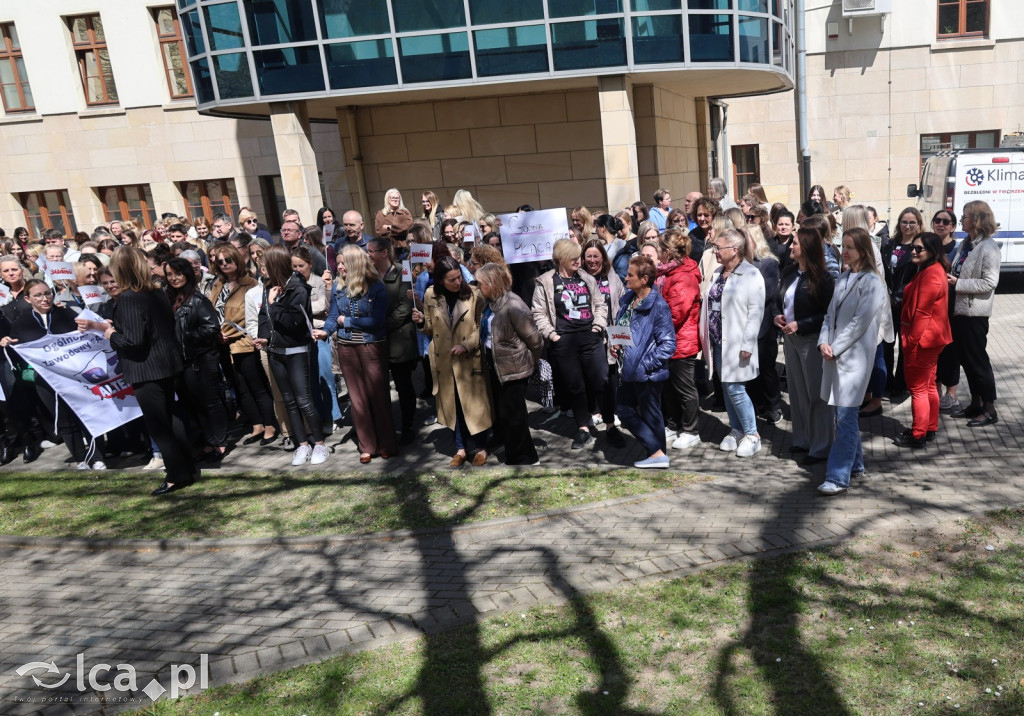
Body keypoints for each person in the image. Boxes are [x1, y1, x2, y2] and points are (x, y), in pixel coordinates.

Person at [78, 249, 197, 494]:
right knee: (172, 419)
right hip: (166, 364)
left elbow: (133, 342)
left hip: (147, 369)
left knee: (159, 425)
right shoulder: (155, 292)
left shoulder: (131, 298)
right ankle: (186, 468)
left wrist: (110, 333)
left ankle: (176, 475)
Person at [817, 228, 887, 495]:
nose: (844, 252)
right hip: (834, 354)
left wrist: (834, 347)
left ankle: (837, 477)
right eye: (842, 246)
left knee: (845, 416)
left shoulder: (872, 283)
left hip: (854, 359)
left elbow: (860, 322)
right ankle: (855, 465)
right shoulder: (843, 278)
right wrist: (824, 341)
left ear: (864, 251)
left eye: (850, 248)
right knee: (843, 416)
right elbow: (829, 316)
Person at [413, 256, 491, 466]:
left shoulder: (473, 294)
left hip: (468, 359)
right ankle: (460, 448)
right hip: (444, 361)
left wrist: (466, 345)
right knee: (452, 403)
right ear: (439, 281)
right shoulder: (431, 295)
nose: (457, 283)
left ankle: (481, 447)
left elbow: (480, 329)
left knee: (473, 405)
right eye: (451, 280)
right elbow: (430, 328)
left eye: (459, 277)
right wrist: (421, 321)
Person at [532, 239, 609, 450]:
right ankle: (583, 428)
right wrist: (552, 335)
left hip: (590, 338)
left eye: (579, 257)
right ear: (561, 259)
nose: (579, 261)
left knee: (601, 380)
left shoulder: (586, 278)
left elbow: (601, 305)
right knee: (575, 387)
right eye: (574, 258)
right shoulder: (546, 281)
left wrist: (597, 327)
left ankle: (610, 425)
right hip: (564, 341)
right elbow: (538, 312)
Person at [255, 245, 329, 466]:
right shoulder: (269, 287)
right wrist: (265, 337)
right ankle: (302, 445)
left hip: (296, 350)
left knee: (304, 400)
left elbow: (293, 321)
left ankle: (319, 444)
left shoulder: (298, 288)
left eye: (265, 265)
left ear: (275, 264)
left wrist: (273, 304)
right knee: (289, 401)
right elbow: (264, 317)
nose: (262, 269)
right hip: (275, 351)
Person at [321, 244, 395, 462]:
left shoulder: (376, 287)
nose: (340, 267)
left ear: (354, 264)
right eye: (339, 263)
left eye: (344, 263)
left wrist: (349, 321)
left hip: (371, 347)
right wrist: (324, 331)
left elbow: (376, 321)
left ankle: (386, 443)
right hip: (347, 349)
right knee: (357, 399)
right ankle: (366, 445)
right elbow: (334, 316)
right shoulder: (338, 288)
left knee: (378, 396)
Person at [699, 228, 764, 458]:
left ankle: (753, 435)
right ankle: (736, 429)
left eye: (719, 247)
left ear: (734, 250)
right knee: (726, 385)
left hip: (738, 342)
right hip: (719, 342)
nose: (715, 251)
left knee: (736, 388)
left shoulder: (751, 274)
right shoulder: (718, 272)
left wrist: (748, 344)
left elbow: (756, 311)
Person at [774, 224, 835, 463]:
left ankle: (821, 447)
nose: (790, 246)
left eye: (795, 243)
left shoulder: (823, 278)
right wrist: (777, 315)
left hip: (812, 341)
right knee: (798, 394)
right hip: (790, 340)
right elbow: (778, 300)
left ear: (807, 248)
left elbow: (828, 314)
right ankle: (802, 440)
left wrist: (801, 324)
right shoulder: (789, 272)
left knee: (817, 395)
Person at [208, 242, 278, 446]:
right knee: (240, 388)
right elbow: (212, 310)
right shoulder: (217, 283)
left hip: (244, 342)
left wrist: (224, 333)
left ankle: (270, 425)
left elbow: (244, 315)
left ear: (236, 260)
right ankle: (256, 424)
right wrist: (216, 335)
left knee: (256, 386)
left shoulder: (251, 284)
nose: (224, 264)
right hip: (223, 344)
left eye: (228, 260)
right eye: (219, 261)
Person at [476, 262, 543, 466]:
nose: (478, 287)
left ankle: (525, 458)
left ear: (492, 283)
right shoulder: (490, 303)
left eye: (480, 284)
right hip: (496, 366)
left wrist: (531, 362)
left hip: (513, 369)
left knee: (515, 416)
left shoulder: (513, 305)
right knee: (505, 414)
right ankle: (514, 452)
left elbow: (535, 339)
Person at [614, 255, 676, 468]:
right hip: (626, 370)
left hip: (646, 373)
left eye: (630, 275)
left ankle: (657, 456)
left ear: (645, 279)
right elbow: (624, 329)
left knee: (652, 416)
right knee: (623, 409)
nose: (626, 278)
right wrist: (617, 345)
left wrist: (644, 364)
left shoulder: (658, 306)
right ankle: (657, 454)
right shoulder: (627, 300)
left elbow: (668, 344)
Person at [163, 257, 228, 461]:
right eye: (169, 274)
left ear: (187, 274)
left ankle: (220, 443)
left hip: (201, 359)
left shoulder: (197, 300)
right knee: (194, 404)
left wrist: (186, 337)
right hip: (181, 361)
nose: (174, 278)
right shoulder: (169, 299)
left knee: (210, 401)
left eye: (178, 273)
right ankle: (209, 442)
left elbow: (211, 328)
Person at [892, 232, 952, 448]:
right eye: (913, 248)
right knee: (927, 386)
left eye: (919, 249)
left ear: (932, 252)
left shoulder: (932, 274)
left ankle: (918, 434)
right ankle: (929, 428)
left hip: (923, 339)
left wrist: (911, 341)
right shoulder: (929, 270)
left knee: (918, 388)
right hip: (929, 338)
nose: (914, 252)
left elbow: (922, 313)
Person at [947, 200, 1002, 427]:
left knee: (978, 362)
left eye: (966, 216)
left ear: (977, 220)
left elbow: (990, 282)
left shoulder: (988, 248)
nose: (962, 220)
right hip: (959, 311)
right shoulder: (966, 244)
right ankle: (976, 404)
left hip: (974, 314)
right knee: (966, 361)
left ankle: (989, 409)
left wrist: (958, 283)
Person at [656, 229, 702, 450]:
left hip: (682, 341)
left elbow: (676, 313)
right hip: (669, 340)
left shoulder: (683, 276)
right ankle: (672, 426)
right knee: (669, 388)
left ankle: (691, 430)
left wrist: (652, 324)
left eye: (660, 249)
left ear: (667, 252)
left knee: (684, 388)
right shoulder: (669, 273)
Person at [582, 239, 625, 446]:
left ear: (603, 257)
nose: (592, 260)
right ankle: (592, 414)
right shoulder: (579, 278)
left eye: (595, 256)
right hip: (587, 337)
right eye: (588, 256)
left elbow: (620, 309)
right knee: (588, 380)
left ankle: (610, 419)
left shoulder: (613, 277)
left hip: (609, 338)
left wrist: (620, 340)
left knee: (609, 379)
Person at [292, 245, 337, 434]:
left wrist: (301, 306)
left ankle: (332, 416)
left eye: (300, 266)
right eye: (293, 266)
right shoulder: (292, 283)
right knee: (311, 381)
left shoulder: (319, 281)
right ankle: (318, 416)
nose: (297, 270)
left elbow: (323, 306)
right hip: (302, 336)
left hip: (319, 333)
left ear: (310, 264)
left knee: (325, 376)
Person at [880, 207, 923, 398]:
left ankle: (901, 383)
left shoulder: (919, 247)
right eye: (904, 222)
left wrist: (903, 295)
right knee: (887, 343)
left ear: (918, 224)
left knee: (905, 346)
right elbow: (882, 272)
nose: (907, 226)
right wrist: (887, 293)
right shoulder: (889, 244)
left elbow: (919, 277)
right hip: (888, 302)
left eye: (912, 222)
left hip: (907, 303)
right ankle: (887, 380)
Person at [931, 209, 961, 413]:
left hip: (950, 307)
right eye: (937, 220)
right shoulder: (928, 246)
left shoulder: (957, 249)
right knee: (935, 352)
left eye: (946, 222)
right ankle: (937, 392)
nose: (941, 224)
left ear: (952, 227)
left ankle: (952, 395)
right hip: (931, 307)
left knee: (951, 352)